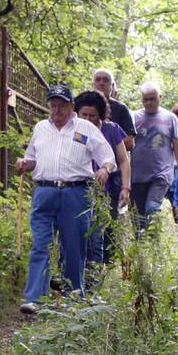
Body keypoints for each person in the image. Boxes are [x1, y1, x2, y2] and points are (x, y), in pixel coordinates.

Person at [15, 84, 116, 313]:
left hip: (76, 193)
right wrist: (24, 163)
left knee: (73, 246)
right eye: (53, 105)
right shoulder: (41, 128)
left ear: (72, 107)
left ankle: (73, 299)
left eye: (62, 105)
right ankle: (35, 299)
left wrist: (105, 170)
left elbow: (108, 157)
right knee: (41, 244)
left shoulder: (85, 129)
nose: (56, 110)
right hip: (45, 192)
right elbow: (32, 158)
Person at [73, 89, 131, 266]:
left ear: (101, 115)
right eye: (84, 115)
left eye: (93, 115)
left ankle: (94, 274)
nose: (88, 119)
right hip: (79, 189)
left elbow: (123, 160)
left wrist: (125, 187)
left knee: (99, 233)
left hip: (107, 191)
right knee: (82, 232)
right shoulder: (75, 131)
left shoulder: (111, 130)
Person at [129, 82, 178, 230]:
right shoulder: (134, 117)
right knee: (137, 218)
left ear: (160, 97)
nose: (148, 103)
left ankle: (153, 244)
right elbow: (125, 145)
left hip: (161, 174)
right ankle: (142, 248)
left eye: (152, 99)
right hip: (137, 175)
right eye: (145, 99)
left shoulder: (170, 118)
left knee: (152, 209)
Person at [92, 67, 135, 149]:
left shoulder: (121, 109)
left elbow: (130, 142)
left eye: (106, 80)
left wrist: (103, 147)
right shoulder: (81, 105)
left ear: (112, 86)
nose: (101, 83)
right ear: (92, 84)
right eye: (98, 80)